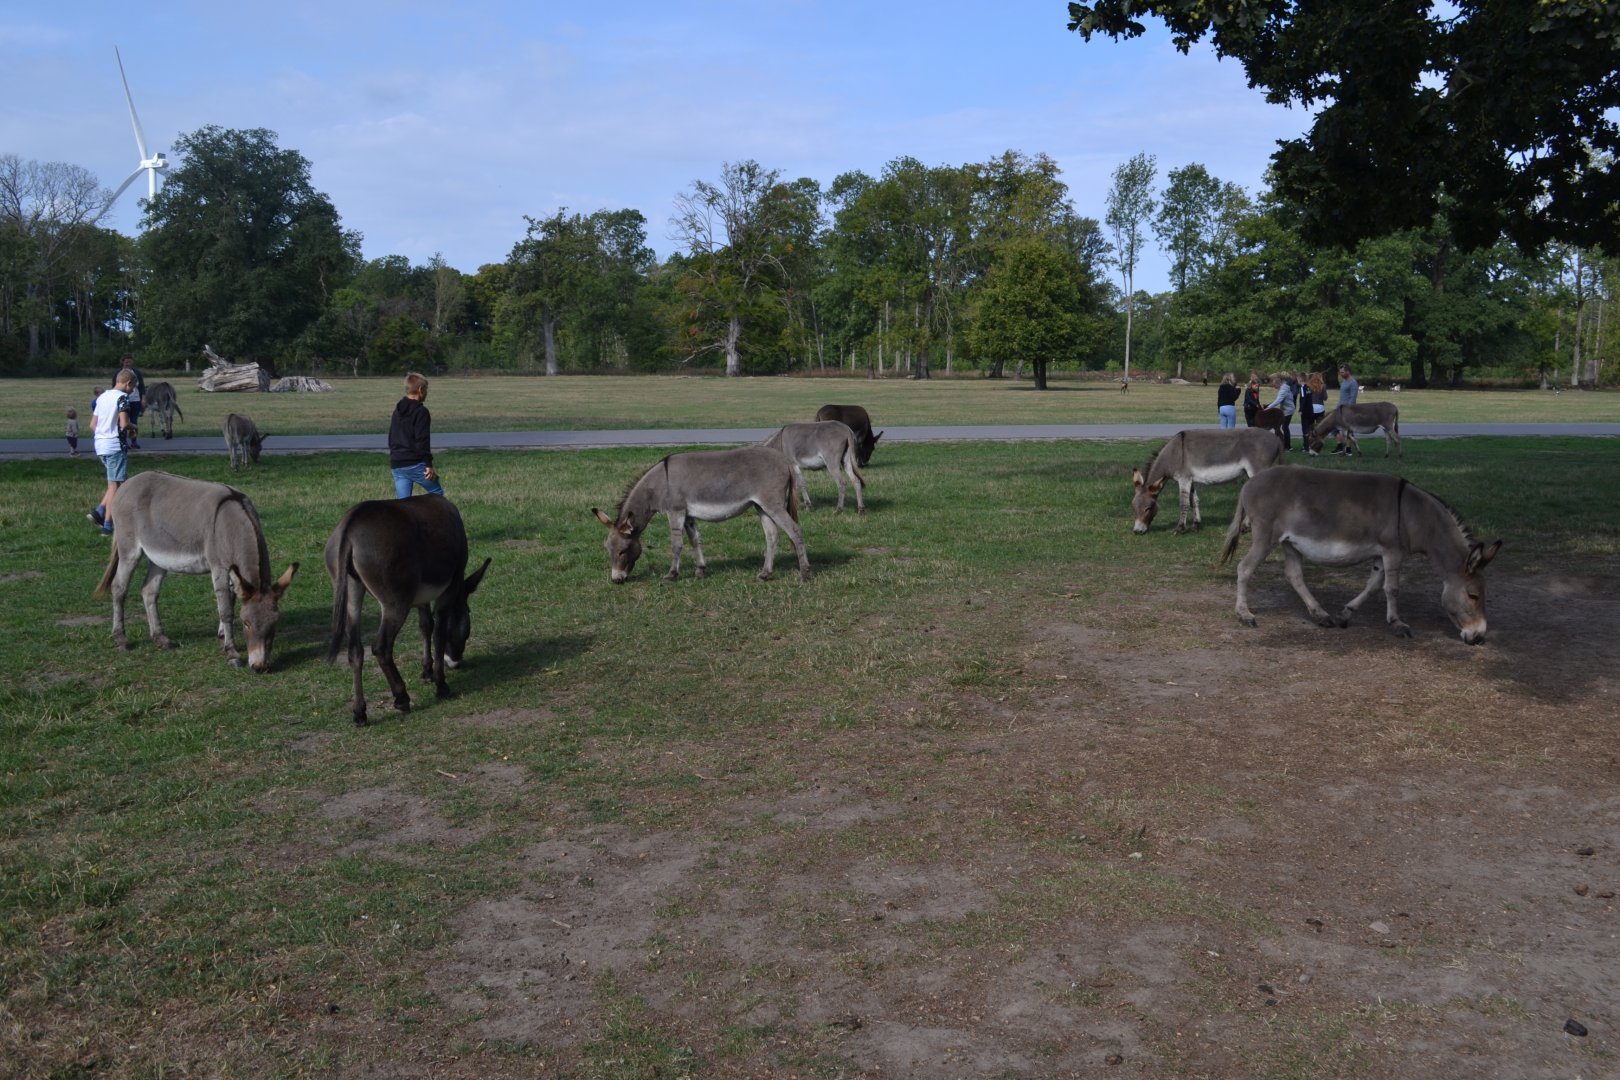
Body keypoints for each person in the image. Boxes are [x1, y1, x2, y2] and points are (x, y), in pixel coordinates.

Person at [88, 370, 135, 535]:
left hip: (100, 445)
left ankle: (100, 511)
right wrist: (133, 427)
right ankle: (107, 524)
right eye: (132, 387)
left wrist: (102, 435)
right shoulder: (122, 398)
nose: (132, 391)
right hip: (115, 445)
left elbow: (93, 425)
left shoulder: (102, 397)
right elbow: (123, 424)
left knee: (114, 481)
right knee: (114, 485)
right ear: (128, 383)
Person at [388, 371, 444, 498]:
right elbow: (422, 440)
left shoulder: (397, 410)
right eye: (426, 389)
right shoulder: (421, 412)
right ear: (420, 390)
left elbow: (392, 436)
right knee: (437, 494)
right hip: (414, 463)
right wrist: (428, 465)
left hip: (397, 464)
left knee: (403, 504)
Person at [116, 356, 145, 449]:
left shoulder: (136, 373)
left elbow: (142, 387)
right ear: (122, 363)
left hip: (135, 399)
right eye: (126, 362)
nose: (128, 364)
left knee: (134, 420)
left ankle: (134, 441)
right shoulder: (118, 373)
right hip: (123, 399)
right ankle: (123, 441)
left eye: (130, 362)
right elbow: (115, 385)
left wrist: (143, 399)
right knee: (123, 421)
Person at [1333, 365, 1360, 454]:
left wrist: (1347, 411)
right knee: (1334, 427)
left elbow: (1352, 399)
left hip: (1348, 411)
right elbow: (1342, 397)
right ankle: (1340, 446)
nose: (1341, 374)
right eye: (1340, 372)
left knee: (1349, 430)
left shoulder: (1353, 383)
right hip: (1340, 409)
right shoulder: (1344, 381)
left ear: (1348, 371)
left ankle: (1348, 450)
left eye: (1342, 372)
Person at [1268, 373, 1297, 450]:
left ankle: (1288, 447)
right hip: (1285, 410)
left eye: (1274, 385)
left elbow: (1278, 400)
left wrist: (1268, 408)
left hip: (1288, 410)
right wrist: (1269, 404)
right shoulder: (1283, 387)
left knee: (1285, 427)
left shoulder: (1283, 389)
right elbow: (1278, 400)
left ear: (1278, 383)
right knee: (1280, 427)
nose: (1274, 387)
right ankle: (1281, 444)